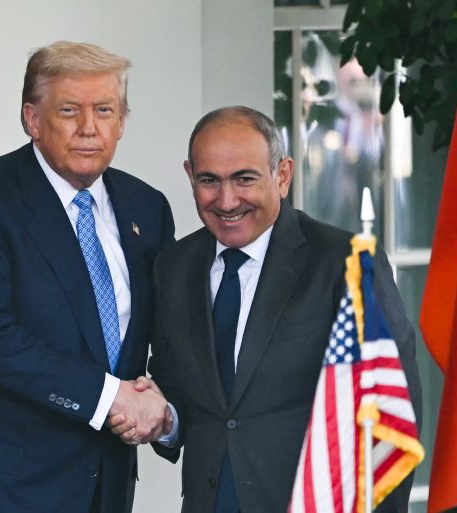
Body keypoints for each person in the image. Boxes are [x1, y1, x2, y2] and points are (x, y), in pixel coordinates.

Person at [0, 41, 174, 513]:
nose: (88, 128)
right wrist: (111, 398)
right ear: (32, 119)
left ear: (121, 122)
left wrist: (164, 409)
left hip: (101, 488)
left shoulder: (148, 208)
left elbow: (166, 332)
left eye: (104, 110)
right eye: (68, 110)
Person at [112, 106, 421, 512]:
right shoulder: (174, 266)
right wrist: (165, 418)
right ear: (190, 176)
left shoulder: (344, 263)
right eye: (209, 180)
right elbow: (182, 388)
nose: (226, 200)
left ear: (283, 175)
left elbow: (389, 417)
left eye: (244, 178)